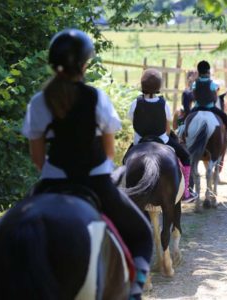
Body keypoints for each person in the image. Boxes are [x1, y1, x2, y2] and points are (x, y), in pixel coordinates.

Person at [22, 29, 152, 300]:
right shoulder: (97, 98)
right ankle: (134, 292)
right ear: (84, 64)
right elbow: (108, 152)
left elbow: (37, 158)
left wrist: (53, 175)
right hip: (95, 182)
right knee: (142, 233)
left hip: (51, 182)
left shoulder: (39, 102)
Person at [128, 68, 197, 203]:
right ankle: (186, 191)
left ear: (142, 85)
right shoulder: (163, 103)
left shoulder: (135, 102)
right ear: (159, 86)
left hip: (139, 141)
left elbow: (132, 119)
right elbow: (168, 122)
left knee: (126, 160)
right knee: (185, 156)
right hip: (162, 140)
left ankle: (126, 188)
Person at [190, 60, 227, 142]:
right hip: (210, 108)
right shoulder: (212, 84)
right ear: (208, 71)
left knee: (187, 118)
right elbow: (215, 96)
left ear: (199, 72)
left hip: (197, 108)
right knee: (224, 116)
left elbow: (194, 95)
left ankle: (182, 136)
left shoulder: (195, 84)